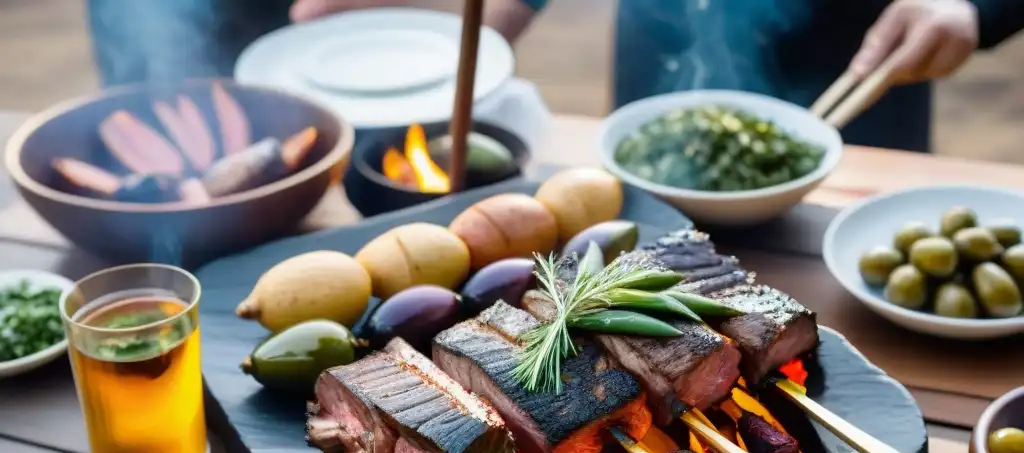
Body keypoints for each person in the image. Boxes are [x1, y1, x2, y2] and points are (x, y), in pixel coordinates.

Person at [86, 0, 1024, 153]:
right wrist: (488, 22)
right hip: (667, 32)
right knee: (662, 213)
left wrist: (976, 5)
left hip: (858, 37)